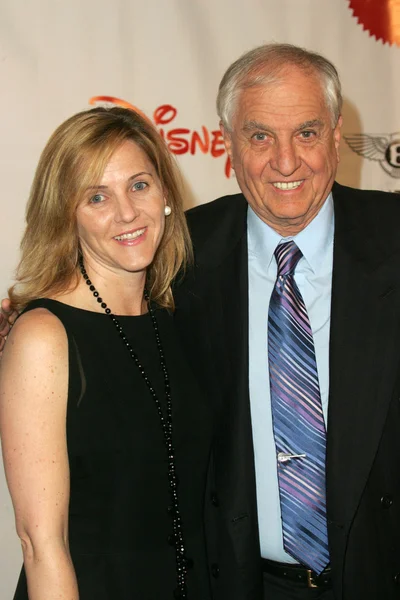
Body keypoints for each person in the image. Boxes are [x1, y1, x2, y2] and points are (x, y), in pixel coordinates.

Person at [173, 44, 400, 600]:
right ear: (227, 142)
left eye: (306, 132)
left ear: (336, 133)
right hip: (245, 585)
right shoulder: (178, 254)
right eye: (259, 137)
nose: (286, 162)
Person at [0, 107, 214, 600]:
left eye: (139, 185)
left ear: (164, 193)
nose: (126, 213)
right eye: (97, 197)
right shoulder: (43, 336)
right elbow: (42, 544)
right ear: (65, 214)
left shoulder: (171, 320)